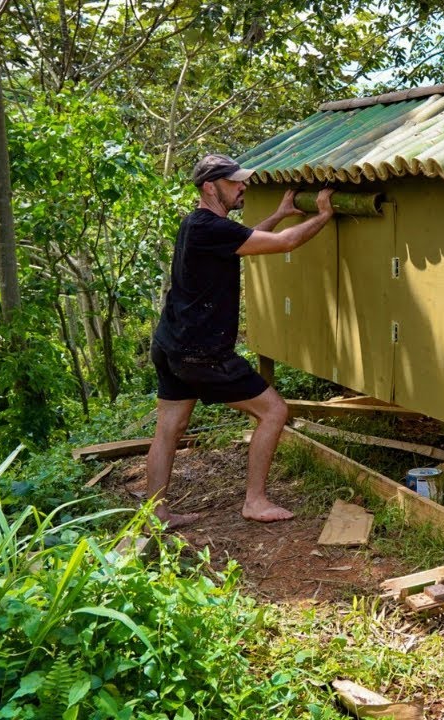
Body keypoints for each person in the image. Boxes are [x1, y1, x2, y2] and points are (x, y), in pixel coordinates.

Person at [146, 153, 335, 528]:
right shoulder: (210, 228)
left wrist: (280, 213)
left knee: (170, 426)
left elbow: (250, 239)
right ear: (209, 186)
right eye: (234, 182)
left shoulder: (198, 225)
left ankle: (156, 512)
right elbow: (283, 244)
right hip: (201, 352)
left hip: (171, 343)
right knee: (274, 411)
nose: (242, 186)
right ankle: (255, 501)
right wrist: (324, 215)